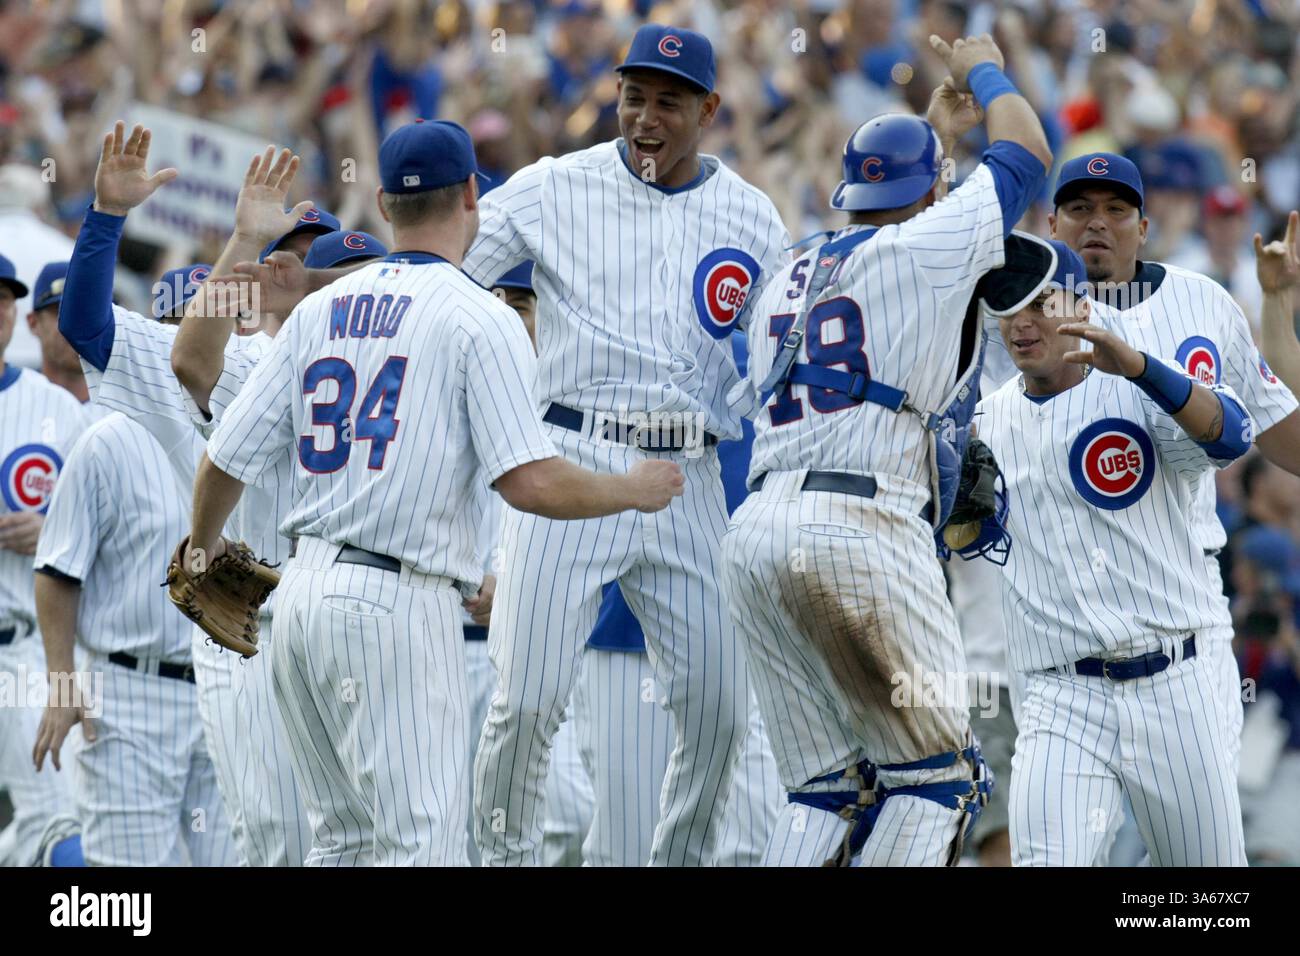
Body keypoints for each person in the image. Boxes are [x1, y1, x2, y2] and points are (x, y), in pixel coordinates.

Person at [185, 119, 685, 865]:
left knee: (342, 845)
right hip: (394, 603)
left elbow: (223, 461)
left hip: (297, 598)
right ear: (473, 197)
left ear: (384, 204)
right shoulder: (481, 314)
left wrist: (203, 546)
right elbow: (531, 482)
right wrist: (631, 489)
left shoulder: (317, 311)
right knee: (422, 846)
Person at [724, 33, 1052, 866]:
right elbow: (1027, 151)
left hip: (756, 529)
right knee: (939, 778)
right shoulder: (930, 245)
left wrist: (932, 137)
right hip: (860, 528)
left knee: (823, 786)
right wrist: (984, 65)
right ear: (934, 189)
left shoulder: (791, 267)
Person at [57, 124, 312, 866]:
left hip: (280, 640)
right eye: (170, 314)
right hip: (171, 669)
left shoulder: (293, 369)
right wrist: (106, 217)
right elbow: (96, 326)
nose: (178, 327)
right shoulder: (154, 395)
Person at [975, 239, 1250, 865]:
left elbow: (1232, 436)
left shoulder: (1140, 389)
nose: (1021, 323)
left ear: (1079, 302)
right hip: (1059, 697)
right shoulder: (985, 425)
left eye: (1040, 302)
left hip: (1174, 682)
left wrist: (1142, 368)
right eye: (1006, 307)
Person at [1048, 154, 1300, 807]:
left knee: (1196, 875)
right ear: (1052, 222)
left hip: (1185, 631)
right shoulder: (1019, 318)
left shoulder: (1205, 303)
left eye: (1115, 209)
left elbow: (1291, 444)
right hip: (1058, 643)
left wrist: (1275, 305)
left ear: (1145, 224)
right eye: (1079, 209)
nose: (1096, 223)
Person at [31, 400, 238, 866]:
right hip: (129, 694)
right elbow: (57, 570)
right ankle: (58, 854)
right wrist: (62, 686)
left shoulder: (241, 428)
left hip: (222, 687)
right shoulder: (107, 441)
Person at [0, 254, 88, 866]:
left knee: (61, 826)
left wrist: (55, 528)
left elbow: (105, 521)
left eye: (3, 299)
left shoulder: (54, 408)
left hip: (23, 650)